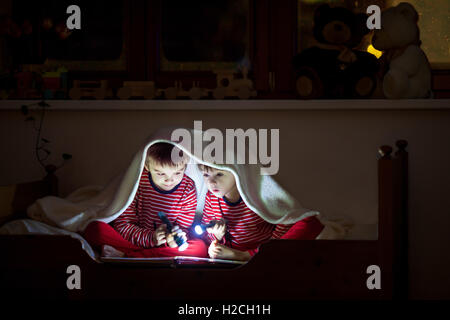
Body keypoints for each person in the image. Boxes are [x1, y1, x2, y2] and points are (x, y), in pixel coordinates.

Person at [83, 142, 207, 258]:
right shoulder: (138, 182)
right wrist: (150, 238)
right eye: (161, 174)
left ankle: (128, 256)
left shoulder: (188, 187)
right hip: (136, 240)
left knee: (199, 248)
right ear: (147, 166)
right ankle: (145, 254)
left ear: (185, 166)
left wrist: (174, 240)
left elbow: (183, 227)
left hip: (167, 245)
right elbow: (123, 224)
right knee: (94, 230)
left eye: (177, 173)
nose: (169, 180)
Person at [198, 164, 324, 261]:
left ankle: (248, 256)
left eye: (219, 174)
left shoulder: (254, 194)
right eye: (205, 175)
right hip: (231, 252)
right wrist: (217, 237)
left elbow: (285, 220)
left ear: (236, 172)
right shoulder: (211, 197)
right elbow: (207, 236)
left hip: (263, 249)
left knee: (310, 222)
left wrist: (269, 247)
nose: (211, 182)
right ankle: (244, 256)